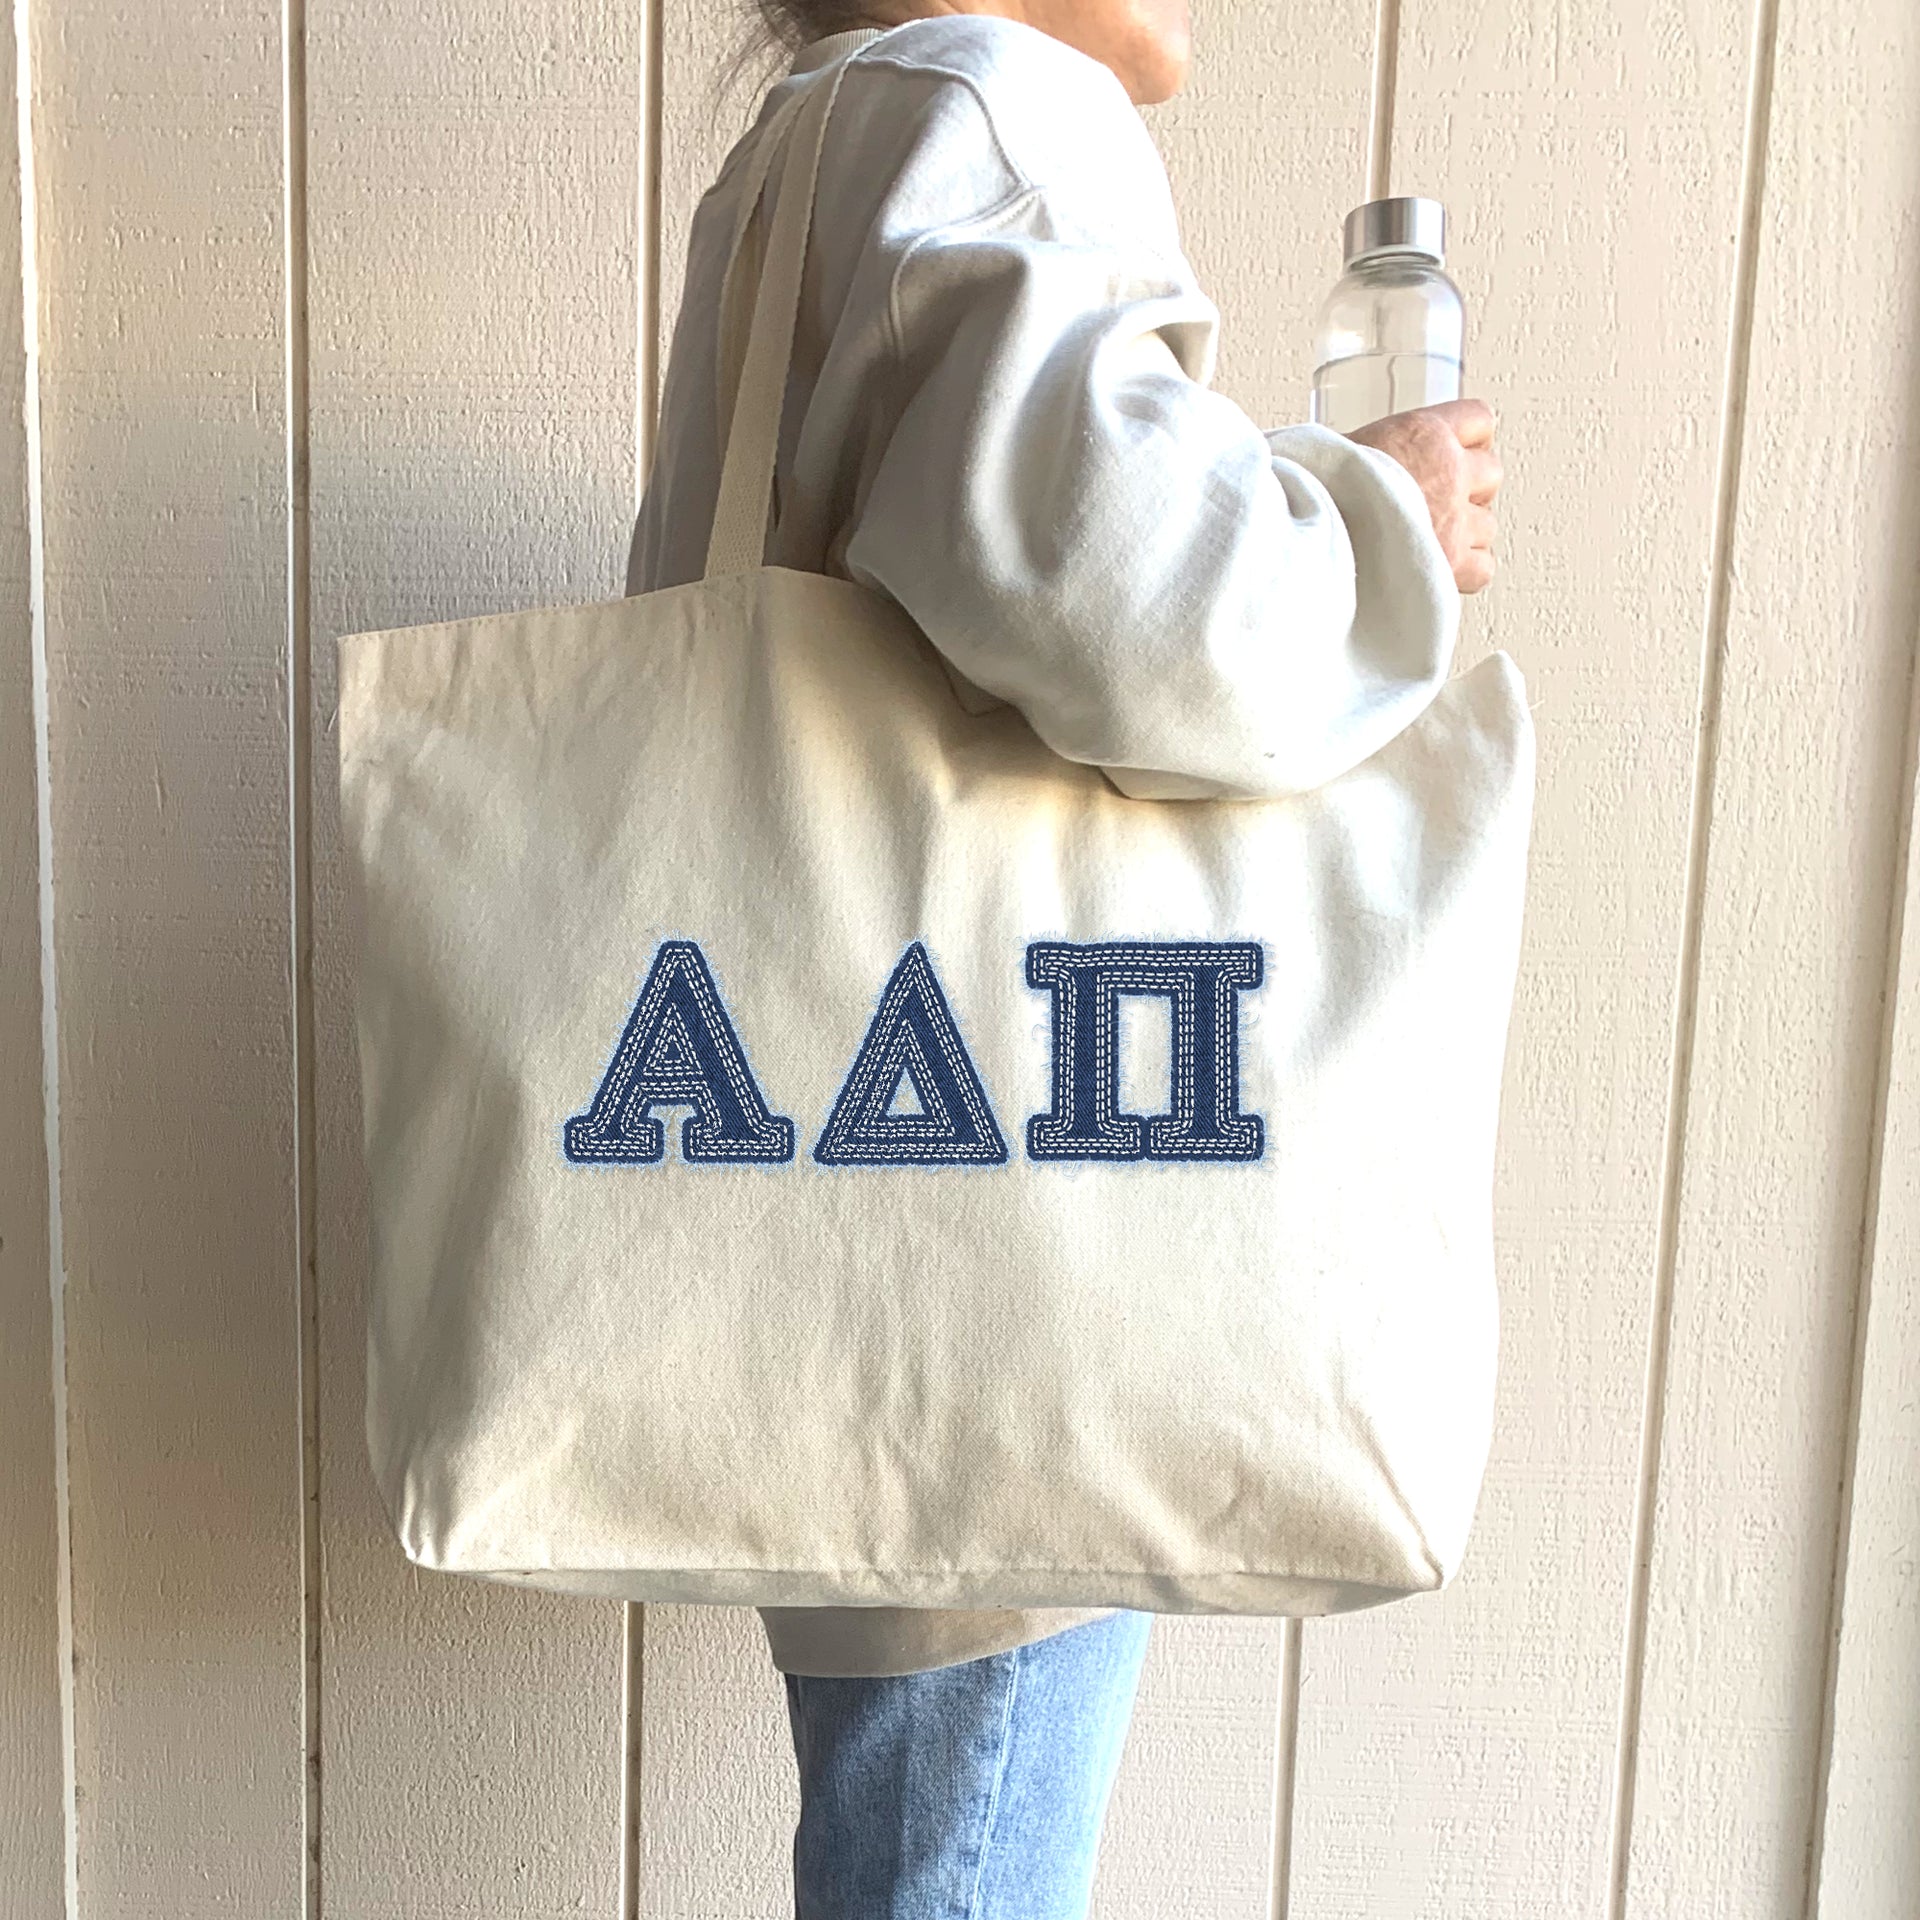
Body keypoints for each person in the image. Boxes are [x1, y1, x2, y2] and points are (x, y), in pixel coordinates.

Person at [626, 4, 1501, 1913]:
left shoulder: (813, 141)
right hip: (1013, 1226)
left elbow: (997, 544)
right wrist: (1385, 526)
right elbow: (1143, 615)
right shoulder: (998, 107)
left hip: (848, 1191)